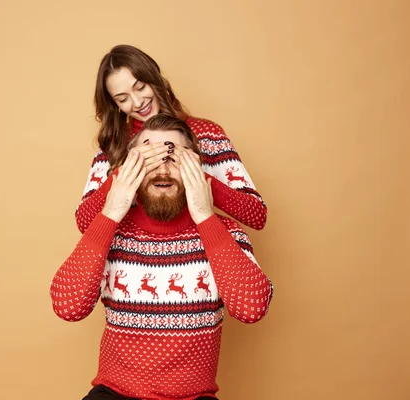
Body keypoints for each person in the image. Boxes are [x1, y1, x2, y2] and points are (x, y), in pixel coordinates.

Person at [51, 115, 273, 400]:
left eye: (172, 158)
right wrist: (111, 212)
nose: (162, 170)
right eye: (148, 159)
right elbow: (67, 307)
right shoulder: (110, 231)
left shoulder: (226, 232)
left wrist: (205, 215)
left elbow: (251, 309)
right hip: (115, 394)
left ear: (195, 168)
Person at [75, 45, 267, 235]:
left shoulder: (207, 135)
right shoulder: (114, 144)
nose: (138, 102)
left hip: (197, 252)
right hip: (128, 256)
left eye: (140, 87)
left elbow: (257, 215)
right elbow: (84, 222)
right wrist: (126, 173)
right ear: (114, 105)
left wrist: (193, 174)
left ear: (155, 79)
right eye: (123, 99)